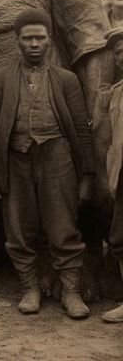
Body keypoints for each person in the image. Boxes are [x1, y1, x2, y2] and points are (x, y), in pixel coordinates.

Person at [0, 9, 94, 320]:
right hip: (14, 159)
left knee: (63, 227)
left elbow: (81, 129)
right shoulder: (0, 79)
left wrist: (87, 174)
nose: (33, 44)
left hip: (58, 157)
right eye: (27, 39)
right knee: (18, 228)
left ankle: (71, 291)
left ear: (49, 41)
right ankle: (30, 288)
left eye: (39, 38)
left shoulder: (66, 79)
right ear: (17, 41)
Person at [100, 28, 123, 322]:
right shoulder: (116, 92)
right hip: (122, 176)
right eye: (117, 52)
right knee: (119, 239)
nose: (122, 55)